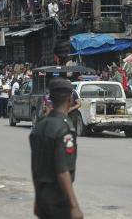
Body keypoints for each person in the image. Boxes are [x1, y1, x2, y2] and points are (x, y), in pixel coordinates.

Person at [29, 78, 83, 219]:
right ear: (70, 99)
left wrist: (37, 198)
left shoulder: (39, 126)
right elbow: (62, 171)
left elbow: (35, 168)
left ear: (51, 98)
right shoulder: (65, 128)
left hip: (42, 195)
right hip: (58, 198)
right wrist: (74, 206)